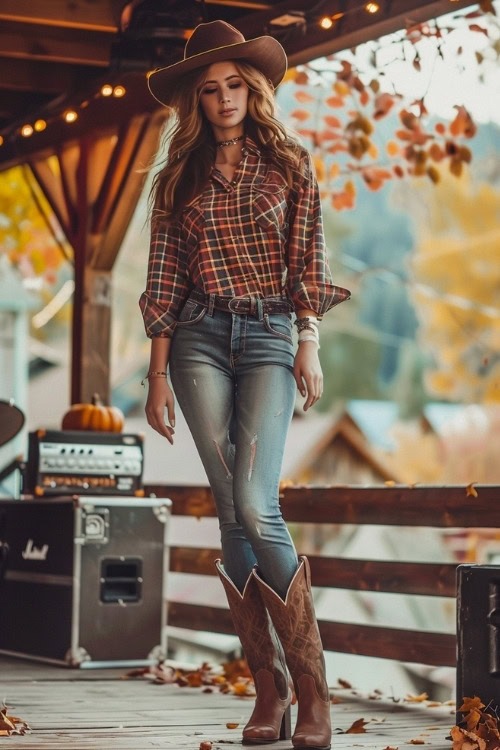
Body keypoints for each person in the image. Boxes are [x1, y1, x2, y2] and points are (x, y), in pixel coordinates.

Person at [140, 19, 351, 750]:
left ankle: (314, 689)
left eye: (235, 84)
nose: (224, 97)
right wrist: (158, 372)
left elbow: (308, 261)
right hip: (196, 338)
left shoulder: (290, 162)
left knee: (258, 505)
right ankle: (270, 691)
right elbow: (163, 276)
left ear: (253, 89)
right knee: (230, 508)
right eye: (210, 89)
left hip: (268, 336)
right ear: (194, 101)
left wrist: (309, 341)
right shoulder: (179, 176)